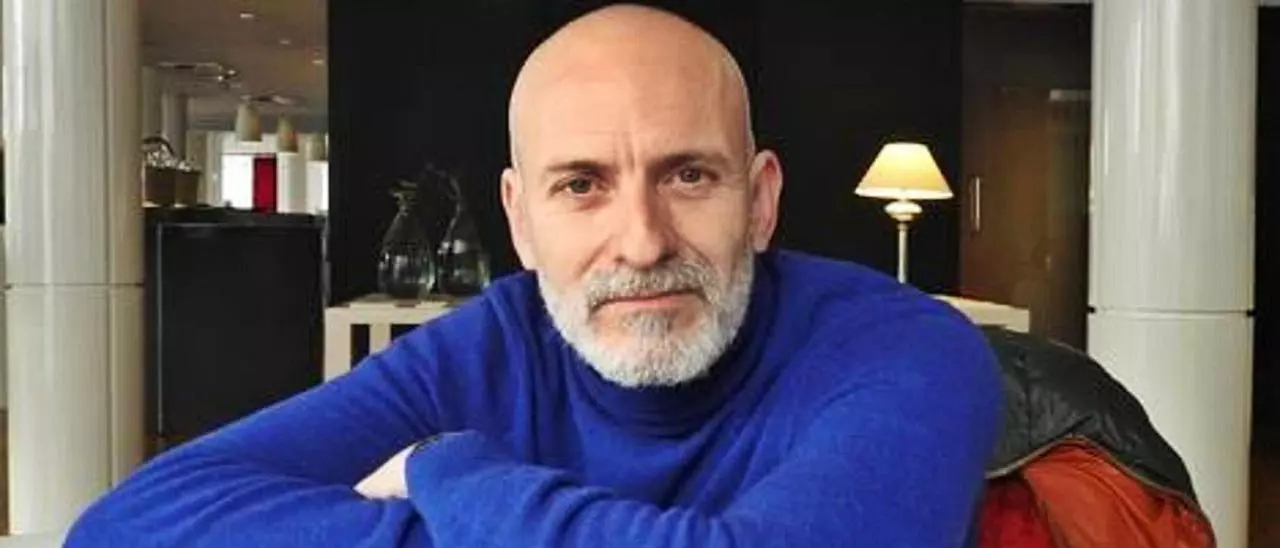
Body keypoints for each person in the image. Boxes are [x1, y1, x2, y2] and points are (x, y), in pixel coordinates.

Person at [67, 5, 1001, 547]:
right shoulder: (493, 346)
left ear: (759, 201)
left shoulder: (905, 350)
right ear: (519, 220)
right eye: (581, 186)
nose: (642, 242)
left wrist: (453, 473)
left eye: (688, 176)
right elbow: (126, 529)